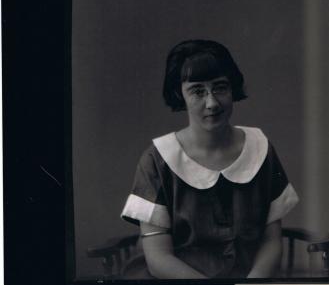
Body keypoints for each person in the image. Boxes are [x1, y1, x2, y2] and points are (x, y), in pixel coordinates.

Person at [120, 39, 299, 279]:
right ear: (179, 94)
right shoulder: (157, 160)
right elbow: (158, 259)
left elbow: (271, 241)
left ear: (232, 89)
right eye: (197, 91)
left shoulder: (260, 149)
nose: (212, 103)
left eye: (220, 87)